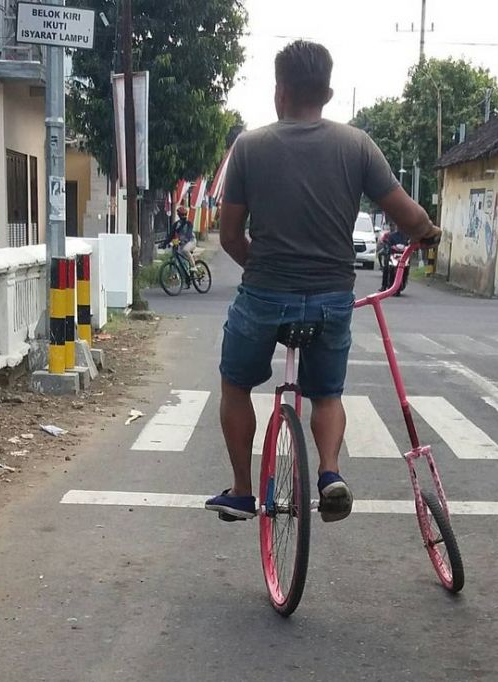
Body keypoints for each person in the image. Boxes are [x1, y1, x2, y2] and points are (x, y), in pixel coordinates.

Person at [205, 40, 441, 523]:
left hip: (264, 295)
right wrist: (429, 232)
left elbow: (229, 237)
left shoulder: (249, 146)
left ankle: (242, 490)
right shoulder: (357, 146)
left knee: (235, 384)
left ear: (280, 91)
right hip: (333, 300)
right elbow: (409, 216)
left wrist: (262, 270)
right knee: (327, 394)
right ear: (328, 94)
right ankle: (330, 473)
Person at [379, 225, 409, 294]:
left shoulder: (406, 236)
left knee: (407, 266)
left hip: (403, 256)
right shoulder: (391, 236)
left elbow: (409, 244)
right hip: (393, 255)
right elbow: (387, 243)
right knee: (386, 266)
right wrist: (389, 247)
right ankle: (384, 285)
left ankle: (404, 280)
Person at [171, 206, 197, 272]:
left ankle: (193, 266)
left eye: (185, 215)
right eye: (182, 215)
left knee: (185, 250)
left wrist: (184, 240)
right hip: (182, 243)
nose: (183, 216)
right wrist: (165, 243)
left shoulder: (189, 223)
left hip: (191, 241)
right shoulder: (176, 224)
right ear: (179, 215)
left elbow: (189, 234)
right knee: (177, 257)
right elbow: (171, 235)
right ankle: (178, 274)